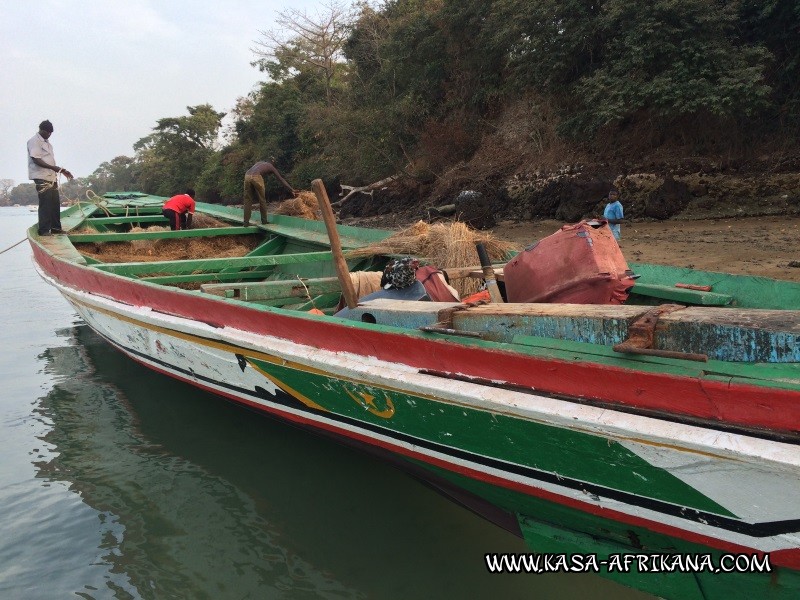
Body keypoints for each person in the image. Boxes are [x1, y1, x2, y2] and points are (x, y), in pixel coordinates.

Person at [27, 120, 73, 236]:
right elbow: (36, 159)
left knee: (55, 202)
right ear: (42, 130)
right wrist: (54, 168)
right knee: (46, 203)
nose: (49, 135)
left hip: (50, 177)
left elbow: (50, 161)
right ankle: (43, 230)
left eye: (50, 133)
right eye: (48, 132)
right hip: (41, 176)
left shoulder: (47, 143)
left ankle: (56, 228)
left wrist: (62, 171)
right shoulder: (34, 141)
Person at [243, 161, 296, 226]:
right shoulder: (271, 166)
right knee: (262, 200)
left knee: (247, 200)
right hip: (256, 176)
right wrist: (291, 189)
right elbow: (281, 179)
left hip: (247, 175)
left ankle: (245, 223)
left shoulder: (259, 163)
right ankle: (264, 221)